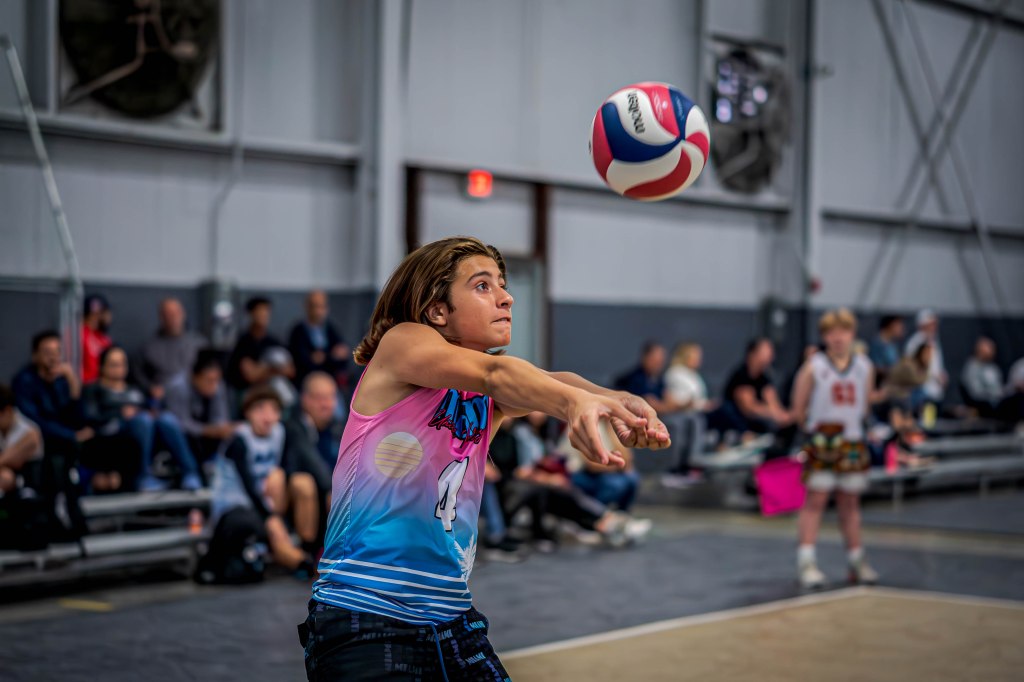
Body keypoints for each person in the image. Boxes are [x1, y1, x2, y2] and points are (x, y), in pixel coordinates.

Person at [300, 237, 669, 680]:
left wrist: (618, 401)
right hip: (366, 614)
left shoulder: (484, 392)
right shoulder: (403, 343)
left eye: (503, 285)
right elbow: (498, 372)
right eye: (482, 286)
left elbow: (544, 379)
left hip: (452, 619)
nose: (506, 297)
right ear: (438, 311)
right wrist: (575, 404)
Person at [791, 309, 879, 589]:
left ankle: (856, 560)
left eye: (843, 331)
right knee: (815, 500)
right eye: (832, 332)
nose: (838, 337)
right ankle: (807, 562)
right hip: (823, 440)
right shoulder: (814, 366)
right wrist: (812, 431)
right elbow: (798, 407)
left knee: (850, 503)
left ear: (852, 334)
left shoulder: (864, 366)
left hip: (852, 440)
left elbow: (866, 405)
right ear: (824, 336)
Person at [207, 386, 318, 579]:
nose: (267, 416)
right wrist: (270, 517)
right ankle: (302, 562)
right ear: (248, 412)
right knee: (269, 524)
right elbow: (248, 485)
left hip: (268, 500)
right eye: (260, 409)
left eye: (273, 410)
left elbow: (289, 466)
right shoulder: (239, 440)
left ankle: (308, 547)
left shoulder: (280, 432)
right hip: (237, 505)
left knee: (302, 482)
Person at [82, 346, 202, 492]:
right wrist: (119, 414)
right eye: (114, 364)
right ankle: (142, 477)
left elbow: (147, 407)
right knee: (143, 421)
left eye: (122, 364)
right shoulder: (93, 390)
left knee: (166, 419)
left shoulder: (135, 390)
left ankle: (190, 473)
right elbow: (90, 417)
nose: (119, 369)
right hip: (114, 436)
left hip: (146, 430)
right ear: (102, 367)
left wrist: (153, 409)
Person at [13, 331, 91, 455]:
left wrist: (73, 383)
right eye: (47, 352)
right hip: (41, 442)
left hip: (65, 439)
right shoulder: (25, 381)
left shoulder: (62, 380)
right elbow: (34, 421)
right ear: (35, 355)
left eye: (57, 352)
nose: (53, 357)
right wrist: (71, 435)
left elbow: (77, 420)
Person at [163, 351, 237, 466]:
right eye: (209, 380)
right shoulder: (178, 387)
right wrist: (208, 430)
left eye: (217, 380)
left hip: (205, 432)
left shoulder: (217, 386)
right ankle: (190, 470)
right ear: (195, 377)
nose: (214, 385)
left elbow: (220, 417)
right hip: (181, 436)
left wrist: (224, 428)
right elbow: (180, 424)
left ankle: (217, 466)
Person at [713, 338, 793, 437]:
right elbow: (748, 408)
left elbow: (772, 401)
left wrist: (783, 415)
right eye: (766, 351)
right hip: (737, 422)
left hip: (756, 422)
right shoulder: (741, 375)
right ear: (753, 354)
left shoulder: (765, 377)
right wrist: (774, 414)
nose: (771, 355)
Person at [662, 342, 712, 486]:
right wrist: (693, 404)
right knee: (694, 421)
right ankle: (688, 464)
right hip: (680, 414)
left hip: (695, 412)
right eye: (695, 356)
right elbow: (676, 400)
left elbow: (698, 399)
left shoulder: (694, 375)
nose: (699, 359)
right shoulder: (675, 373)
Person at [139, 298, 207, 401]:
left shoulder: (199, 343)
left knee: (218, 386)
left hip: (197, 392)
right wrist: (150, 387)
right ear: (161, 317)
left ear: (184, 314)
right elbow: (140, 376)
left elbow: (211, 370)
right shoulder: (149, 347)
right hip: (167, 394)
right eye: (169, 314)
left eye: (177, 313)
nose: (174, 317)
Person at [227, 297, 294, 394]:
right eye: (260, 311)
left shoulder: (273, 341)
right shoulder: (243, 342)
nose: (264, 315)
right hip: (248, 392)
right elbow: (251, 375)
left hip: (271, 391)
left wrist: (262, 369)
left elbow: (289, 370)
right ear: (251, 314)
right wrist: (273, 369)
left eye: (266, 311)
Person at [288, 290, 350, 387]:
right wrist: (331, 356)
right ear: (307, 307)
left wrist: (324, 357)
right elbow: (303, 361)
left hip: (331, 381)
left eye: (321, 306)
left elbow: (343, 354)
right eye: (314, 306)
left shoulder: (330, 329)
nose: (318, 311)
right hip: (306, 382)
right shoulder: (298, 331)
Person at [0, 383, 43, 495]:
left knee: (5, 477)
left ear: (7, 411)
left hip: (28, 484)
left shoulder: (30, 432)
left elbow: (12, 461)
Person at [904, 309, 946, 405]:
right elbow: (913, 369)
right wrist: (934, 376)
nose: (934, 327)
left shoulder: (934, 341)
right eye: (931, 324)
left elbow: (936, 366)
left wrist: (942, 375)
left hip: (935, 392)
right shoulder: (915, 343)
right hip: (921, 394)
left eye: (935, 324)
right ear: (922, 325)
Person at [81, 294, 113, 384]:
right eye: (106, 312)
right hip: (84, 386)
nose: (109, 316)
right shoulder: (78, 334)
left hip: (102, 386)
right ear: (96, 313)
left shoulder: (103, 338)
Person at [868, 315, 904, 386]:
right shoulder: (876, 344)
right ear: (891, 325)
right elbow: (876, 368)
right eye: (899, 325)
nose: (902, 328)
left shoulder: (893, 344)